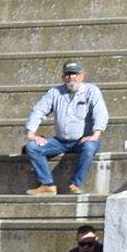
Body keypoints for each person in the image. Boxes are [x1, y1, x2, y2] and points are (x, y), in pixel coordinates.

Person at [24, 61, 108, 196]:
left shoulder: (91, 91)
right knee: (32, 147)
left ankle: (75, 184)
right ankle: (48, 185)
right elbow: (38, 110)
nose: (71, 77)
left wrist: (95, 135)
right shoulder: (54, 92)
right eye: (68, 74)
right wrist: (32, 133)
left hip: (82, 140)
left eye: (75, 74)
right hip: (60, 141)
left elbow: (101, 112)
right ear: (63, 77)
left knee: (90, 147)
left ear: (81, 76)